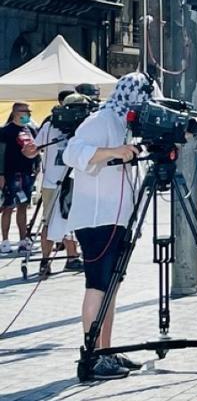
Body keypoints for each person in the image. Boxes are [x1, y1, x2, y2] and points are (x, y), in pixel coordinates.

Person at [61, 72, 159, 380]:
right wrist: (115, 152)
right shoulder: (101, 120)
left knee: (111, 286)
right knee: (97, 285)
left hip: (116, 219)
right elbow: (72, 153)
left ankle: (106, 350)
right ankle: (92, 356)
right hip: (97, 218)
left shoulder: (124, 125)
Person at [34, 89, 85, 276]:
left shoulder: (80, 127)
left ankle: (71, 258)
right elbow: (32, 149)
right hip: (55, 183)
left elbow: (32, 150)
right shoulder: (50, 126)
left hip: (69, 182)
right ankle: (47, 261)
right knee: (52, 222)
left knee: (68, 221)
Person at [1, 101, 39, 254]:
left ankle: (23, 240)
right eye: (25, 111)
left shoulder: (30, 130)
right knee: (8, 207)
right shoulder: (5, 131)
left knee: (23, 205)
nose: (28, 114)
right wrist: (1, 174)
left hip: (27, 173)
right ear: (16, 112)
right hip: (10, 173)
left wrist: (36, 165)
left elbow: (36, 149)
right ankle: (5, 240)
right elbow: (1, 153)